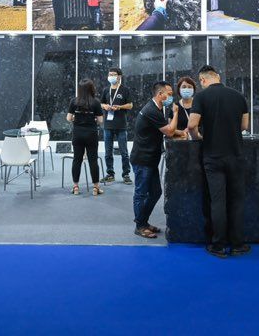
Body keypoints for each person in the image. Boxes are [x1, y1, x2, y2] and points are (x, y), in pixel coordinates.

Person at [186, 65, 250, 258]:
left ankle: (218, 245)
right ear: (218, 77)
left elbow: (191, 124)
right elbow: (244, 126)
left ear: (203, 80)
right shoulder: (238, 96)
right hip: (236, 155)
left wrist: (198, 137)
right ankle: (238, 244)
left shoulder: (201, 97)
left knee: (218, 201)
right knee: (237, 201)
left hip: (213, 157)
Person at [130, 81, 178, 239]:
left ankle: (143, 221)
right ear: (160, 94)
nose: (171, 97)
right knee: (141, 193)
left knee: (156, 192)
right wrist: (176, 113)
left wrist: (180, 131)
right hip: (142, 159)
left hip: (150, 159)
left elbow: (164, 129)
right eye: (169, 94)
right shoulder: (151, 110)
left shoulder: (156, 109)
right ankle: (139, 226)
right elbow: (169, 131)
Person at [66, 79, 104, 196]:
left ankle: (75, 187)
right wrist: (92, 119)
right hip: (91, 134)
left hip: (77, 134)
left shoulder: (74, 101)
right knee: (93, 160)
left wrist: (76, 119)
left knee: (77, 160)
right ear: (91, 89)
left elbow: (68, 118)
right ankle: (96, 188)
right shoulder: (96, 102)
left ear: (80, 89)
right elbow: (100, 120)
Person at [100, 67, 133, 184]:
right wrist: (105, 106)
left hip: (121, 125)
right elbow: (101, 103)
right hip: (108, 125)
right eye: (110, 74)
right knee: (108, 152)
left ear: (119, 77)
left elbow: (130, 105)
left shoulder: (125, 90)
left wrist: (120, 107)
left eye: (113, 74)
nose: (111, 76)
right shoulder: (106, 90)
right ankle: (110, 174)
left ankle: (126, 174)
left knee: (124, 152)